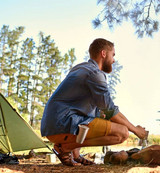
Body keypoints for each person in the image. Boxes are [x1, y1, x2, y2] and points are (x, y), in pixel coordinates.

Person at [41, 38, 147, 166]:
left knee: (97, 116)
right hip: (62, 123)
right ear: (103, 54)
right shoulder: (94, 73)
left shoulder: (81, 68)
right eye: (112, 55)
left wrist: (101, 115)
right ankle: (65, 148)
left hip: (53, 125)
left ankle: (75, 153)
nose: (113, 60)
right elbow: (110, 111)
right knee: (122, 133)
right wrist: (136, 130)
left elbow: (105, 110)